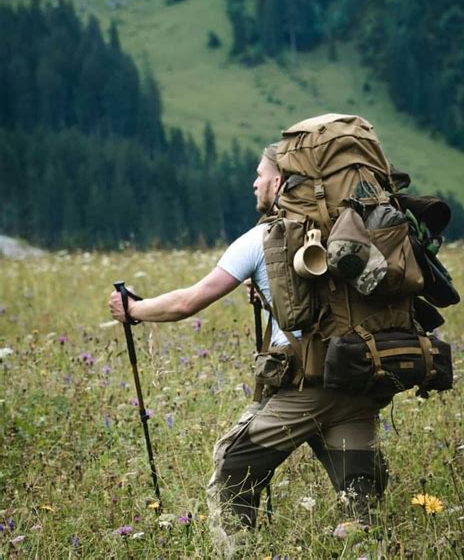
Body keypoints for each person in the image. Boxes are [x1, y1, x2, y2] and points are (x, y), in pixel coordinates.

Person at [108, 143, 387, 554]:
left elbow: (191, 301)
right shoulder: (357, 232)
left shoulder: (264, 238)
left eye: (260, 174)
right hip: (360, 383)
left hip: (305, 386)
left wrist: (135, 309)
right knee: (363, 501)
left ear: (278, 182)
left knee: (232, 464)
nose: (254, 182)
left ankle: (238, 551)